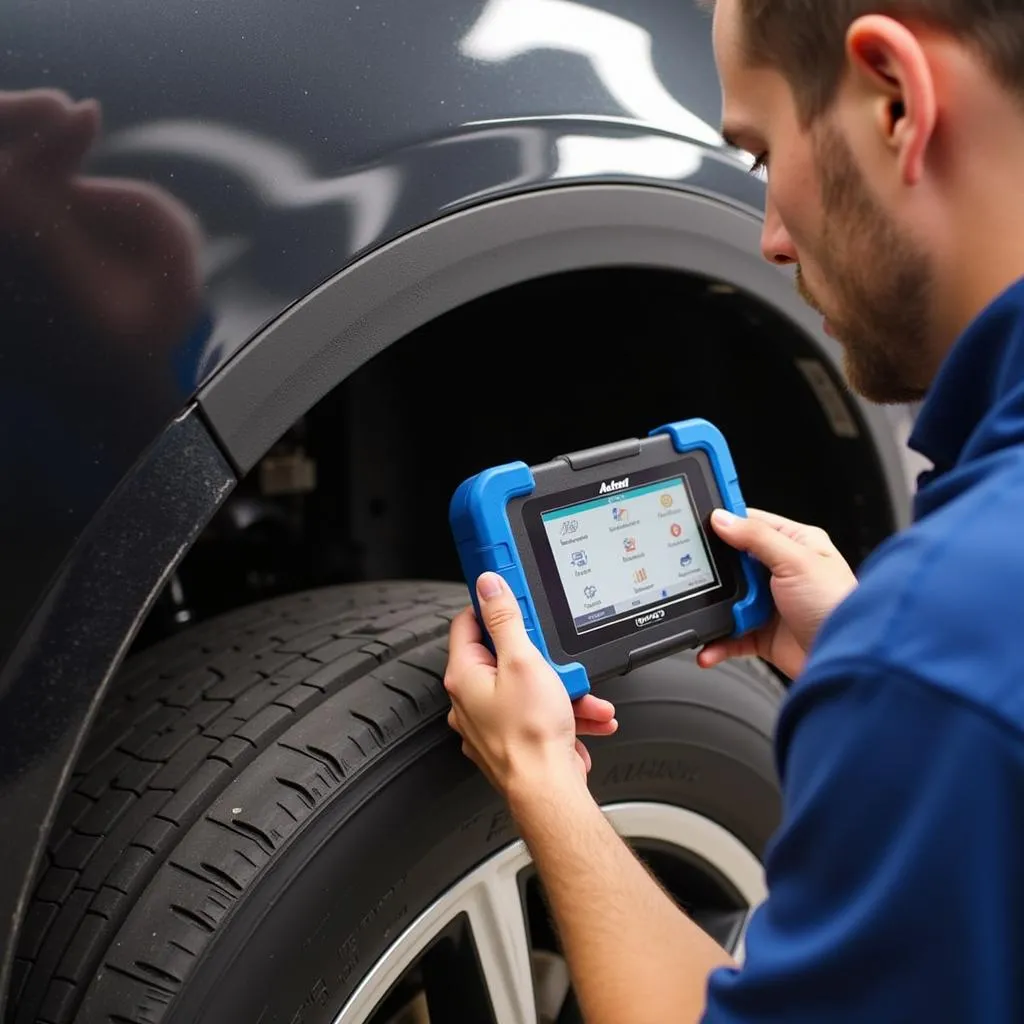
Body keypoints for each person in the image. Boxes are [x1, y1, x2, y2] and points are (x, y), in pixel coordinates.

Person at [443, 0, 1024, 1020]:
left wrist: (540, 776)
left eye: (758, 156)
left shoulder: (946, 641)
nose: (768, 240)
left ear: (892, 99)